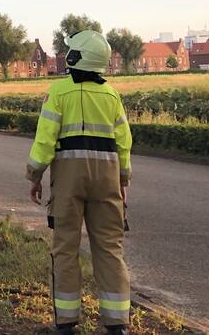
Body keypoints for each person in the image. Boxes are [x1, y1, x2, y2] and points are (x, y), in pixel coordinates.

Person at [26, 29, 133, 335]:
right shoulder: (112, 96)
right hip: (107, 180)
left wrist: (35, 176)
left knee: (65, 249)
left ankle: (66, 324)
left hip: (69, 181)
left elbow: (45, 140)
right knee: (110, 249)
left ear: (76, 58)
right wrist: (123, 180)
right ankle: (117, 325)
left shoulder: (58, 92)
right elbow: (124, 143)